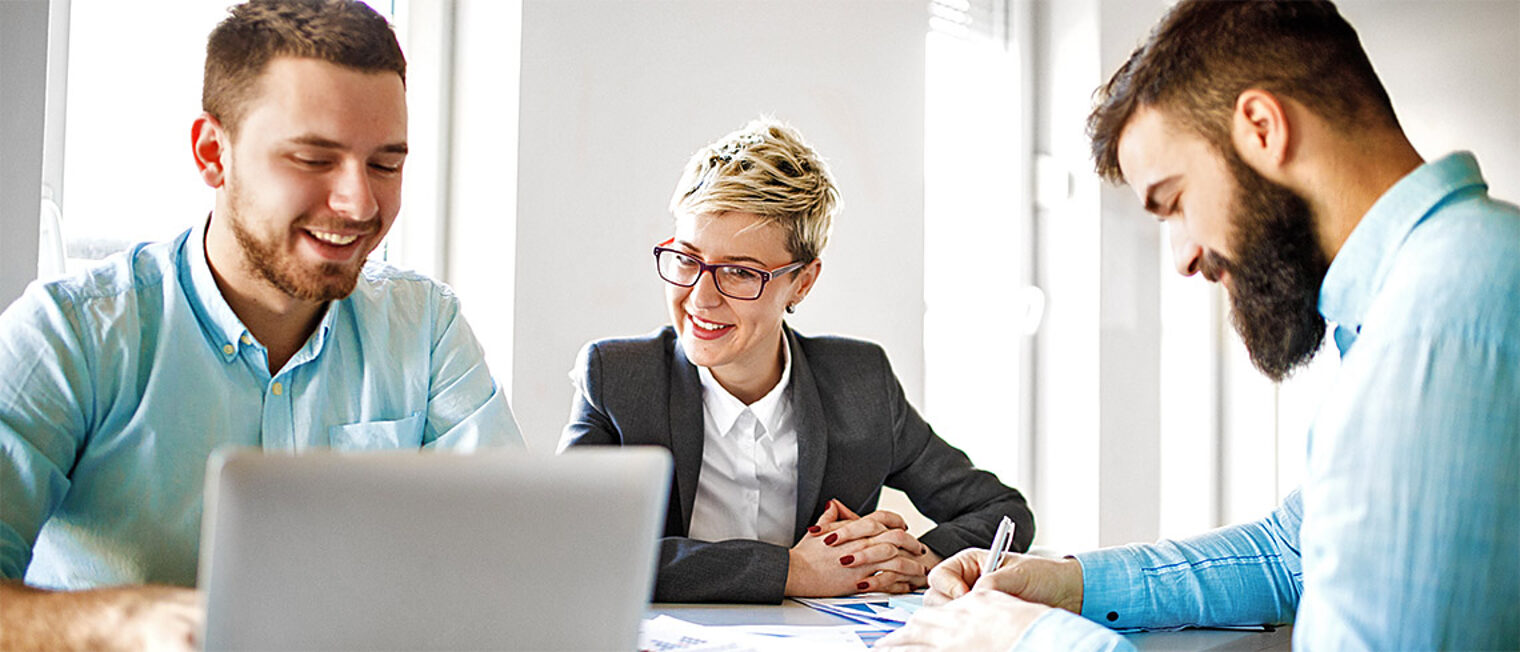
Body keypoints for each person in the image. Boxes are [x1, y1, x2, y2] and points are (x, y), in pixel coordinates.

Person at [879, 1, 1519, 650]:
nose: (1184, 255)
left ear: (1263, 128)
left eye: (1174, 201)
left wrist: (1028, 641)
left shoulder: (1435, 327)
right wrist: (1065, 585)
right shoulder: (1450, 280)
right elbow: (1292, 552)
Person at [0, 1, 523, 648]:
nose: (359, 203)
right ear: (212, 154)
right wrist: (117, 622)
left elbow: (509, 563)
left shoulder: (426, 327)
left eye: (386, 164)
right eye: (313, 159)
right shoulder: (69, 336)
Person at [559, 118, 1034, 604]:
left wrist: (916, 559)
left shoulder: (860, 383)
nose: (700, 297)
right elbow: (569, 548)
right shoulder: (617, 378)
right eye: (686, 259)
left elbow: (1002, 512)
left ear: (802, 282)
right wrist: (791, 572)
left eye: (739, 272)